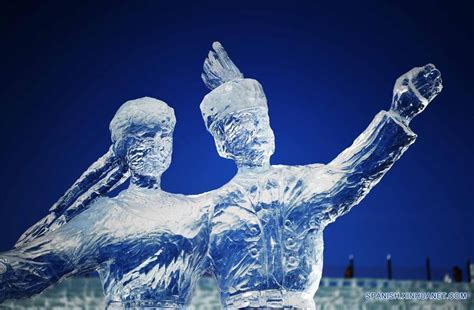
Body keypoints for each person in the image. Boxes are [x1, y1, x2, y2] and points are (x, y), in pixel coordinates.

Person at [200, 42, 443, 309]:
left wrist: (401, 112)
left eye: (259, 121)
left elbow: (356, 171)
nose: (254, 131)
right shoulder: (211, 211)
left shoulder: (301, 185)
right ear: (222, 143)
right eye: (240, 125)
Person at [0, 97, 213, 309]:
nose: (158, 145)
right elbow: (35, 263)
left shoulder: (194, 210)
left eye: (165, 136)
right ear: (123, 146)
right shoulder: (107, 215)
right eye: (147, 136)